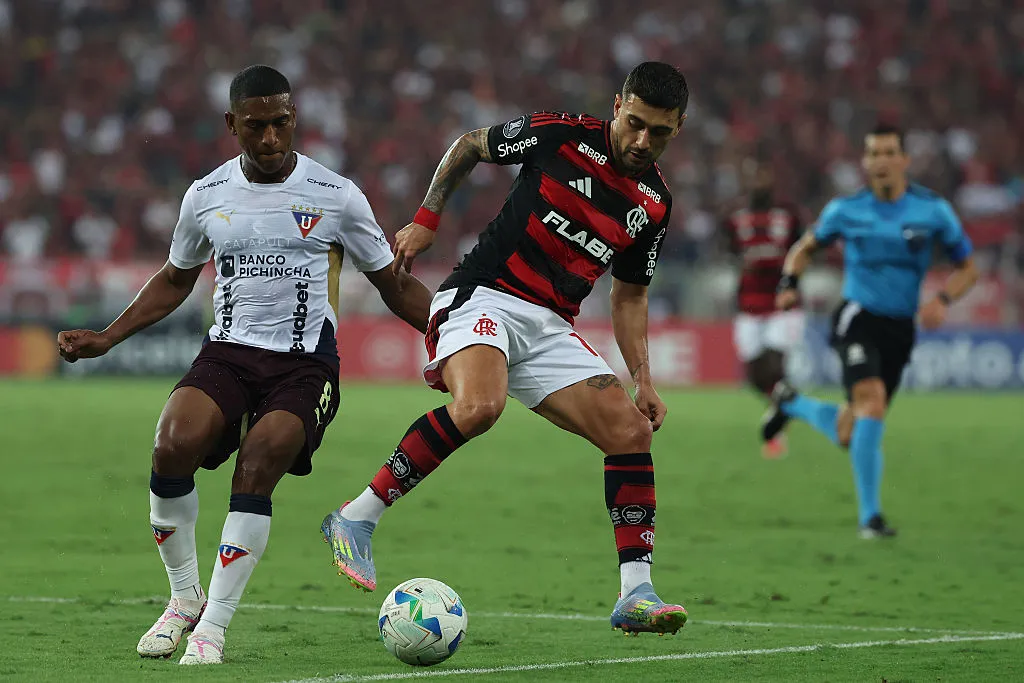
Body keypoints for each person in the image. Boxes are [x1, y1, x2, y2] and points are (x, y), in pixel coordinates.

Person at [56, 65, 432, 664]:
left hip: (305, 365)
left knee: (256, 466)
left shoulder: (336, 194)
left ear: (294, 118)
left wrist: (454, 338)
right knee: (170, 448)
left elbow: (395, 285)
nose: (270, 138)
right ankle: (184, 600)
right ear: (232, 124)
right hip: (229, 353)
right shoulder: (206, 195)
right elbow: (175, 278)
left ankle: (213, 629)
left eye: (281, 123)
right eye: (256, 126)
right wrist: (108, 337)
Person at [321, 62, 689, 636]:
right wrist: (426, 218)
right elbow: (470, 145)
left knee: (630, 432)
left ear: (678, 127)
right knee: (480, 407)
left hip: (550, 326)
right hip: (483, 295)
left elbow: (630, 297)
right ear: (618, 106)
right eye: (635, 123)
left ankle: (635, 592)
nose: (643, 141)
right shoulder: (561, 136)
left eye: (659, 132)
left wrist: (642, 378)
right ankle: (356, 517)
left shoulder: (655, 203)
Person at [762, 123, 978, 538]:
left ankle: (792, 403)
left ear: (904, 160)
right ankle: (870, 519)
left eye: (888, 153)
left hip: (901, 329)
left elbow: (968, 268)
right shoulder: (846, 210)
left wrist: (942, 299)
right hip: (857, 318)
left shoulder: (933, 211)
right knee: (872, 403)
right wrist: (789, 284)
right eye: (873, 153)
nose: (881, 161)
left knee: (852, 429)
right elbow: (804, 249)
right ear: (865, 161)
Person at [722, 161, 805, 458]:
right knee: (754, 375)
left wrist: (792, 282)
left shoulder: (788, 215)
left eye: (763, 176)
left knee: (774, 364)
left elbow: (803, 251)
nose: (758, 182)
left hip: (782, 305)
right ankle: (785, 407)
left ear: (771, 179)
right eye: (754, 176)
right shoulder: (735, 218)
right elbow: (730, 252)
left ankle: (778, 427)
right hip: (749, 304)